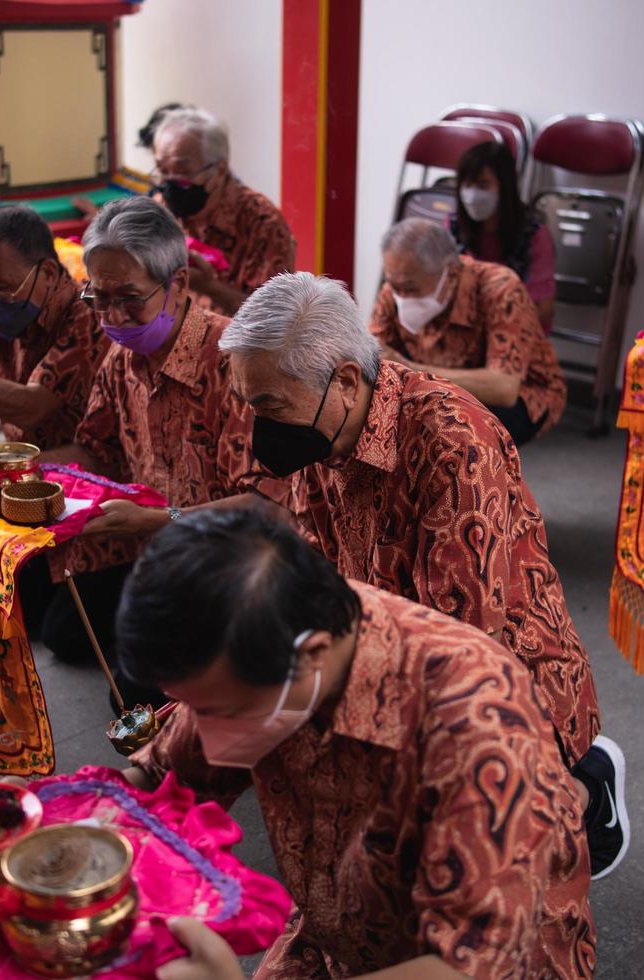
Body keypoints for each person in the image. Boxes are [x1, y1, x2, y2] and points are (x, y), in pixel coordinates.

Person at [218, 270, 628, 881]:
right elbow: (315, 575)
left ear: (346, 381)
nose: (259, 430)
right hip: (389, 644)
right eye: (250, 406)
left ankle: (585, 790)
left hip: (502, 675)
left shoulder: (452, 441)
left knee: (469, 855)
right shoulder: (322, 432)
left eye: (269, 406)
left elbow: (464, 647)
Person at [118, 507, 595, 980]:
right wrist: (75, 818)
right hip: (339, 934)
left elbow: (468, 965)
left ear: (313, 654)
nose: (201, 731)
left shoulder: (477, 720)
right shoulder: (274, 640)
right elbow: (161, 778)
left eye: (219, 711)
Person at [27, 196, 286, 687]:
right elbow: (96, 450)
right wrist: (23, 471)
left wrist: (157, 519)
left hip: (237, 570)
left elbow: (271, 507)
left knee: (141, 696)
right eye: (97, 298)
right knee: (62, 630)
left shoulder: (235, 366)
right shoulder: (124, 355)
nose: (112, 317)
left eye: (128, 297)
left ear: (179, 284)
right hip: (158, 551)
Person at [370, 218, 566, 446]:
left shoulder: (500, 289)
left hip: (524, 394)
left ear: (451, 274)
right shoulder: (396, 287)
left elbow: (504, 388)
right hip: (433, 385)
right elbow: (376, 356)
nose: (401, 297)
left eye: (411, 289)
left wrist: (411, 369)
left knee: (452, 437)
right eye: (394, 286)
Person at [152, 108, 295, 315]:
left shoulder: (262, 223)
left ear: (219, 170)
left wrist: (210, 288)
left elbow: (274, 319)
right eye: (162, 170)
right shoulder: (161, 210)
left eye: (182, 171)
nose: (169, 183)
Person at [0, 206, 109, 448]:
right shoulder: (6, 309)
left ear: (48, 273)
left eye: (2, 287)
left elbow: (33, 407)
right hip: (28, 465)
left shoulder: (91, 313)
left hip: (86, 477)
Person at [450, 140, 556, 334]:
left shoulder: (533, 235)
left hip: (515, 330)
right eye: (467, 185)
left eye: (483, 185)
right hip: (463, 329)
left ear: (504, 187)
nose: (472, 195)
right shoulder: (454, 226)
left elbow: (543, 308)